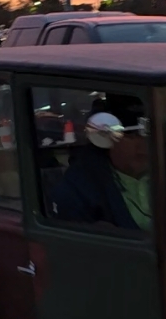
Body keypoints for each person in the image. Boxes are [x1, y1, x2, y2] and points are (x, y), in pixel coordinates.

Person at [51, 96, 152, 231]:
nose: (143, 145)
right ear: (104, 138)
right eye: (131, 136)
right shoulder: (79, 188)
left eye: (149, 135)